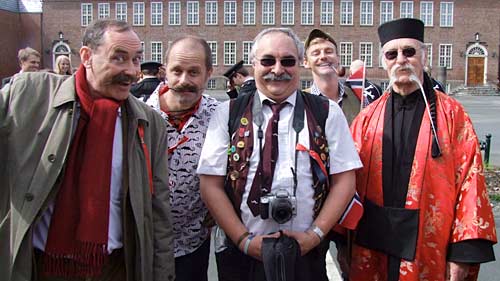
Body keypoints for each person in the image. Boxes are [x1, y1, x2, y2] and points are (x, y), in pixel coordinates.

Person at [0, 19, 174, 281]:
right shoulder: (28, 95)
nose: (131, 71)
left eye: (136, 60)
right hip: (39, 266)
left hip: (115, 269)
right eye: (119, 58)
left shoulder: (149, 124)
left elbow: (158, 211)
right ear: (86, 56)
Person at [197, 27, 362, 281]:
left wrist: (315, 236)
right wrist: (243, 240)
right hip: (242, 257)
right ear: (254, 64)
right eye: (267, 61)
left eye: (287, 61)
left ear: (299, 64)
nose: (277, 69)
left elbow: (345, 180)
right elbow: (210, 184)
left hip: (307, 255)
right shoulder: (227, 113)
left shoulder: (326, 112)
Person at [348, 18, 497, 281]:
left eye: (409, 51)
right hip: (373, 244)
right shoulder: (366, 118)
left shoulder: (453, 114)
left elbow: (470, 181)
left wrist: (463, 251)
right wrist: (342, 240)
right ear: (383, 60)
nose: (401, 60)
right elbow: (348, 181)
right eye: (392, 54)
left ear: (423, 56)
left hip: (429, 245)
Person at [146, 35, 219, 281]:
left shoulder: (219, 115)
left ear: (209, 73)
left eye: (194, 72)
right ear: (164, 71)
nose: (184, 80)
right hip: (144, 242)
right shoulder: (138, 112)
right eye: (176, 71)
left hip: (193, 243)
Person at [303, 29, 360, 124]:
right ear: (306, 62)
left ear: (338, 58)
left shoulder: (358, 98)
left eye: (329, 52)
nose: (323, 57)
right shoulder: (300, 102)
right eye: (316, 53)